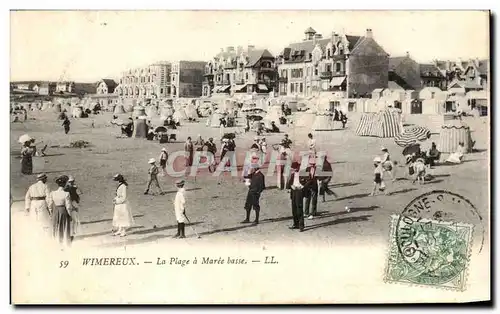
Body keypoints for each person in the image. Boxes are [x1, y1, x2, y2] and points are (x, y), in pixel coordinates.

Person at [47, 176, 72, 246]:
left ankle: (55, 241)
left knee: (55, 225)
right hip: (63, 210)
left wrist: (51, 212)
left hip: (55, 210)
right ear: (64, 184)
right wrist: (70, 215)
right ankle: (64, 241)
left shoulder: (52, 193)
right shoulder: (66, 194)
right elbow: (68, 206)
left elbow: (50, 204)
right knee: (64, 226)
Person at [286, 162, 307, 232]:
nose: (294, 170)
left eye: (295, 168)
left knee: (299, 209)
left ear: (298, 168)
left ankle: (301, 225)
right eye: (293, 169)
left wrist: (302, 187)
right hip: (294, 192)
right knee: (294, 209)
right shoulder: (292, 175)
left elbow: (308, 182)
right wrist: (292, 186)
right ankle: (295, 224)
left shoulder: (303, 174)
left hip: (299, 192)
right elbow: (288, 184)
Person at [64, 176, 82, 241]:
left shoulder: (67, 188)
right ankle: (73, 233)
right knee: (74, 219)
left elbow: (80, 192)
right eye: (70, 182)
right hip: (72, 203)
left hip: (72, 203)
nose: (71, 183)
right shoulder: (68, 188)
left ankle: (72, 233)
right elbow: (80, 193)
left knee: (73, 219)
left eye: (72, 182)